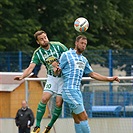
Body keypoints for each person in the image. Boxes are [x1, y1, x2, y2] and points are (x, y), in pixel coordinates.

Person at [54, 35, 120, 133]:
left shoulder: (84, 60)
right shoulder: (66, 55)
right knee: (84, 117)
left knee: (77, 119)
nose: (84, 46)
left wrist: (109, 79)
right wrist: (56, 70)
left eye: (85, 44)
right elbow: (57, 71)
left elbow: (92, 74)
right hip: (69, 90)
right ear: (76, 43)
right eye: (82, 43)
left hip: (77, 91)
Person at [14, 30, 68, 133]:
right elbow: (30, 68)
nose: (44, 40)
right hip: (52, 77)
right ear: (38, 42)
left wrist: (61, 66)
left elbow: (70, 56)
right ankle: (37, 126)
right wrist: (22, 76)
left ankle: (49, 126)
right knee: (44, 98)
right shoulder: (38, 53)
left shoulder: (58, 46)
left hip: (63, 78)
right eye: (41, 39)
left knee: (58, 103)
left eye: (45, 37)